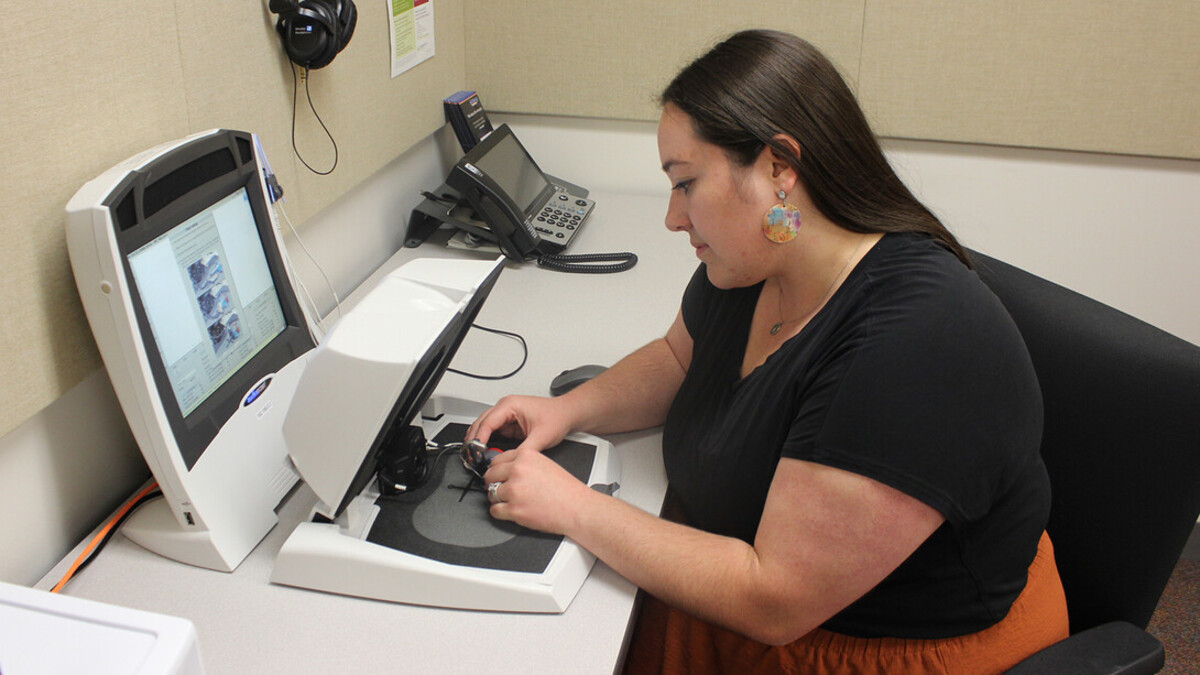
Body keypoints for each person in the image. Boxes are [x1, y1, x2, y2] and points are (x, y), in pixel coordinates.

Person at [466, 29, 1069, 674]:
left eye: (686, 183)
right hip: (752, 592)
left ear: (780, 168)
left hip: (869, 648)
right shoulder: (753, 263)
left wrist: (579, 509)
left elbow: (774, 601)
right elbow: (679, 358)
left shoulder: (911, 345)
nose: (673, 218)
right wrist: (571, 410)